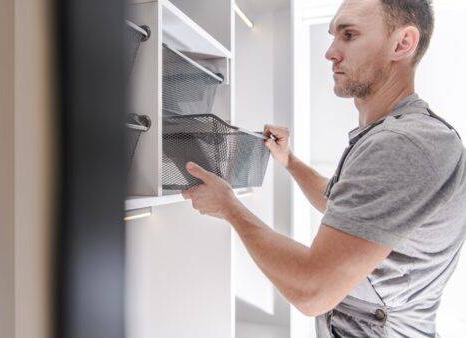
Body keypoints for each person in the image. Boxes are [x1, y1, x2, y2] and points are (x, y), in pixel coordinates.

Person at [182, 0, 466, 337]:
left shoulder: (404, 143)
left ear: (402, 43)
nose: (330, 53)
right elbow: (345, 207)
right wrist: (290, 161)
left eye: (349, 34)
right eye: (334, 36)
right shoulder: (396, 133)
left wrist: (229, 208)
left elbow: (312, 290)